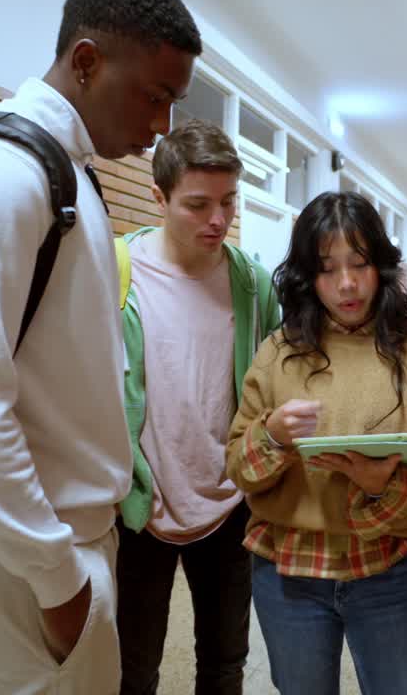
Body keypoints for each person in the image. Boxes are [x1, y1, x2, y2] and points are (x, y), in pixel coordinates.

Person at [0, 0, 200, 692]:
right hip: (31, 567)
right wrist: (56, 579)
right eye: (154, 95)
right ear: (88, 61)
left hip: (64, 547)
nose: (162, 126)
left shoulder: (67, 173)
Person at [224, 191, 407, 695]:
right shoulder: (278, 352)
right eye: (328, 269)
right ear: (308, 277)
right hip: (288, 570)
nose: (348, 284)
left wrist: (382, 485)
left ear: (380, 265)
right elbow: (238, 467)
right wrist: (270, 436)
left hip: (386, 570)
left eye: (359, 264)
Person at [113, 119, 281, 695]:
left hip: (229, 504)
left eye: (229, 201)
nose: (218, 219)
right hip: (141, 505)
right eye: (198, 204)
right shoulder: (115, 274)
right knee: (132, 671)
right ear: (158, 197)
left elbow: (272, 384)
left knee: (224, 663)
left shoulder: (254, 285)